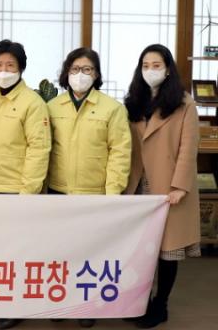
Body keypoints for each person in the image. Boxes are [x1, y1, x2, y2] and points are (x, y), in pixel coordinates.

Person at [46, 47, 131, 329]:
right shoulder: (52, 107)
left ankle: (87, 304)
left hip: (94, 193)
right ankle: (60, 301)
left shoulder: (112, 108)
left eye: (87, 69)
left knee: (90, 252)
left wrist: (113, 192)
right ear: (66, 73)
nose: (80, 75)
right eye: (75, 69)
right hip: (58, 189)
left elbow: (120, 152)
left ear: (96, 74)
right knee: (60, 251)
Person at [0, 40, 51, 330]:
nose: (3, 70)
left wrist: (28, 191)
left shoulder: (33, 103)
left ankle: (16, 306)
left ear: (21, 68)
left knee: (17, 251)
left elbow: (39, 149)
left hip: (17, 189)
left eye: (10, 65)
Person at [124, 44, 200, 329]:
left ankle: (161, 304)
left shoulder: (184, 103)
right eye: (145, 65)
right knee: (140, 249)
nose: (150, 70)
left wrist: (179, 186)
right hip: (137, 183)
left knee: (167, 250)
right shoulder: (134, 100)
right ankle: (139, 300)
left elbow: (188, 148)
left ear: (168, 69)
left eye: (156, 65)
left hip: (168, 186)